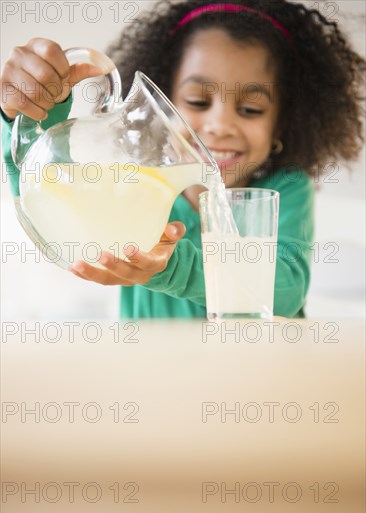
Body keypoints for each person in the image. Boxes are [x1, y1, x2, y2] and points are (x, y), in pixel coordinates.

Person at [1, 0, 365, 318]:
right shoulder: (134, 181)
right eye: (198, 102)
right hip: (154, 383)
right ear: (167, 102)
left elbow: (283, 293)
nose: (220, 125)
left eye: (251, 108)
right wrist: (33, 110)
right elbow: (48, 195)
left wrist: (169, 267)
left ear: (283, 125)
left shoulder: (284, 189)